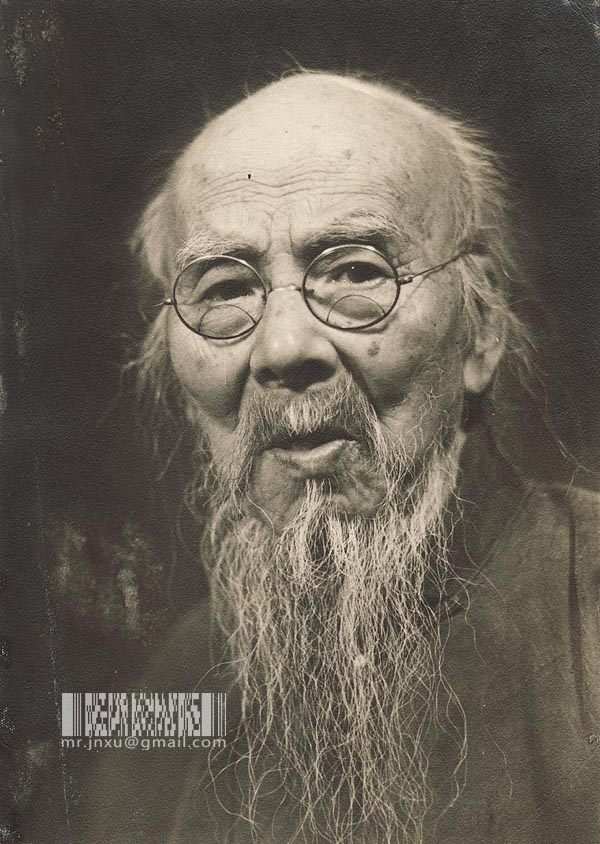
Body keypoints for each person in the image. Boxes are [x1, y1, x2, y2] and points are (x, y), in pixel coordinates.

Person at [78, 72, 600, 844]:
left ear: (481, 326)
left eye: (356, 272)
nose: (284, 348)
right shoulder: (176, 681)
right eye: (223, 289)